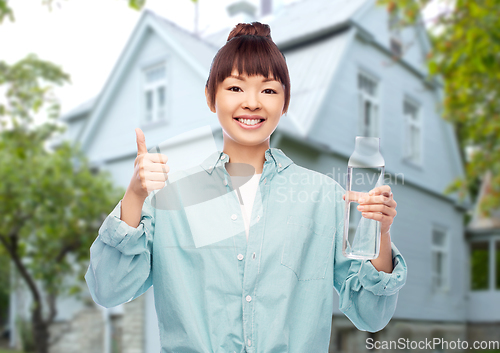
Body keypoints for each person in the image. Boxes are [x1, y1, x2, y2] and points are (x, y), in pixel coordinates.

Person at [85, 21, 407, 353]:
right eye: (235, 88)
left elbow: (371, 315)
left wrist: (380, 234)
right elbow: (108, 290)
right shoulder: (175, 193)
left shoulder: (322, 196)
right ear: (211, 97)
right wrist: (135, 194)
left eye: (268, 90)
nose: (252, 103)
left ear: (285, 102)